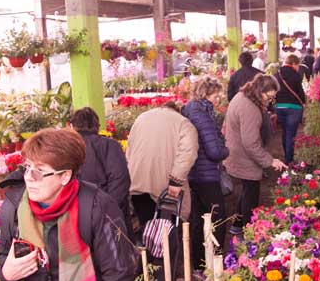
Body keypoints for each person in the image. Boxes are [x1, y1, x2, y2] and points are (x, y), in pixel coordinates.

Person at [0, 128, 136, 281]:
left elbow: (119, 274)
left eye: (39, 172)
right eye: (27, 167)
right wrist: (7, 274)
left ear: (65, 176)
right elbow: (4, 257)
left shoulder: (96, 207)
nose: (29, 177)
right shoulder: (15, 208)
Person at [224, 74, 287, 235]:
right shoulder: (249, 108)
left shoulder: (243, 97)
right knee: (251, 194)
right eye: (269, 96)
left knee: (247, 189)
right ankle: (248, 232)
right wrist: (270, 161)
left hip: (237, 151)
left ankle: (237, 225)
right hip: (244, 156)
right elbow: (250, 143)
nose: (270, 101)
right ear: (260, 91)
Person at [181, 77, 230, 270]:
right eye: (217, 93)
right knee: (218, 217)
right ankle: (214, 263)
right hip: (205, 174)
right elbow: (214, 151)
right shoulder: (200, 114)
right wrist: (226, 150)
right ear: (207, 93)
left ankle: (198, 265)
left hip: (194, 173)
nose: (219, 97)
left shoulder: (190, 109)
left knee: (199, 218)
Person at [126, 101, 198, 230]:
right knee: (167, 232)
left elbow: (129, 150)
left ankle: (148, 249)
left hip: (137, 183)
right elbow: (188, 153)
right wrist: (176, 181)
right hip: (166, 189)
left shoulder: (141, 118)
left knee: (146, 227)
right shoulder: (183, 123)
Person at [70, 107, 133, 238]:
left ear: (73, 126)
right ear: (97, 125)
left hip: (77, 213)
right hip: (110, 214)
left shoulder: (68, 147)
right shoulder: (110, 145)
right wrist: (108, 208)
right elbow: (120, 179)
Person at [275, 55, 306, 165]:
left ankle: (286, 156)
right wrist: (304, 101)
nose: (298, 68)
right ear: (293, 63)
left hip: (279, 106)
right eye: (298, 65)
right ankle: (289, 159)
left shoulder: (277, 74)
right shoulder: (296, 75)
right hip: (294, 107)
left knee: (284, 132)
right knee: (291, 134)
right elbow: (300, 92)